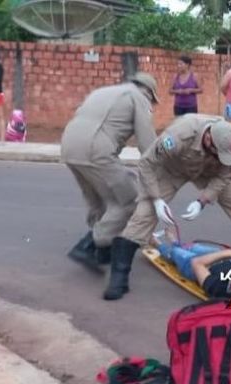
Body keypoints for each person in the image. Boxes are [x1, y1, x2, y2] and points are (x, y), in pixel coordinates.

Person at [103, 115, 231, 301]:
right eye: (217, 151)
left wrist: (202, 201)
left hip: (209, 171)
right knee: (144, 215)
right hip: (172, 169)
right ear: (209, 137)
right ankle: (119, 276)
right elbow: (147, 163)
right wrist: (156, 199)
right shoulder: (179, 135)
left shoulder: (229, 144)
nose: (222, 155)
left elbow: (225, 175)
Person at [61, 72, 159, 272]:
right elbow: (146, 141)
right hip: (96, 150)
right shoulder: (138, 97)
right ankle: (88, 246)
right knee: (129, 200)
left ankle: (102, 251)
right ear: (148, 91)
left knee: (98, 199)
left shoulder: (102, 91)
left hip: (68, 145)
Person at [152, 228, 231, 299]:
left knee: (176, 253)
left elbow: (197, 263)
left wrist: (229, 252)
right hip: (220, 256)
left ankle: (158, 244)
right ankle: (176, 242)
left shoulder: (218, 288)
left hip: (200, 266)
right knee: (194, 247)